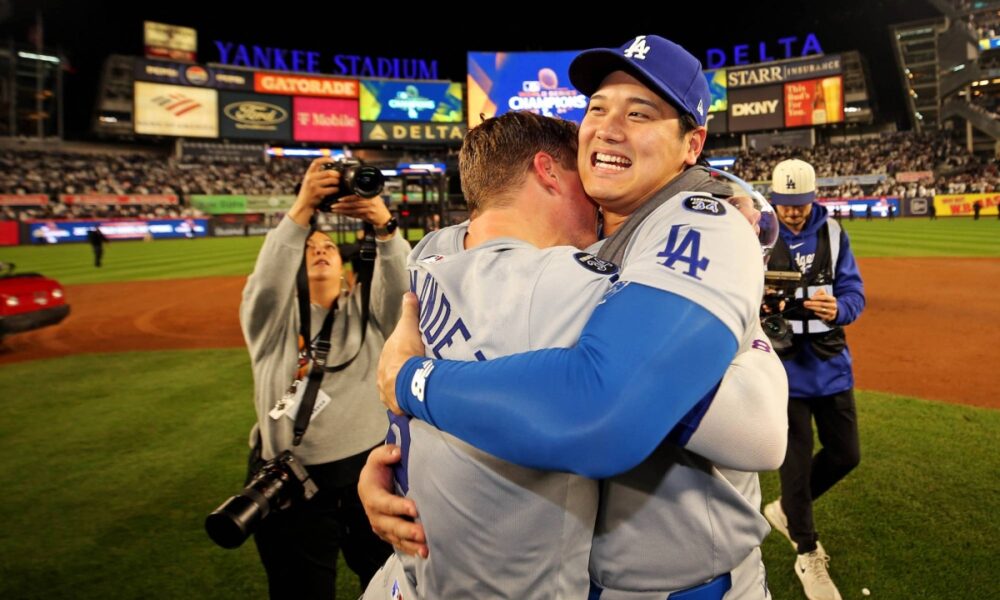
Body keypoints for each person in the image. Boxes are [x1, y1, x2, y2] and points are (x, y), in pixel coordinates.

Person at [375, 35, 787, 599]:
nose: (608, 128)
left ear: (692, 144)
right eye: (597, 108)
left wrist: (413, 381)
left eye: (639, 113)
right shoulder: (550, 249)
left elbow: (758, 433)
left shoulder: (700, 225)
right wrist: (392, 467)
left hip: (678, 586)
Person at [240, 158, 409, 599]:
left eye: (329, 247)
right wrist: (301, 209)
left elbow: (402, 294)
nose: (319, 250)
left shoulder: (368, 316)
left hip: (367, 476)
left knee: (388, 583)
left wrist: (384, 226)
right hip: (290, 484)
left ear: (345, 266)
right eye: (309, 247)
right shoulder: (272, 326)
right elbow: (265, 286)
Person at [760, 159, 866, 600]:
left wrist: (839, 308)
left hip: (830, 362)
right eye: (785, 204)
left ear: (813, 198)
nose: (792, 213)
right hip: (784, 369)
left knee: (846, 454)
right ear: (774, 200)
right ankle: (807, 551)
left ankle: (788, 510)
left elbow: (854, 293)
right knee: (796, 464)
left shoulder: (834, 234)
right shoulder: (759, 234)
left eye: (800, 204)